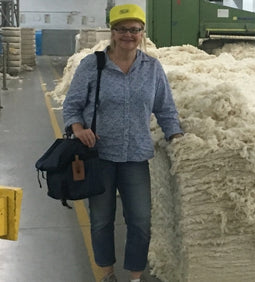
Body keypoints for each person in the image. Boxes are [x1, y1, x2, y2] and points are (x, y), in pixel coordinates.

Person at [62, 4, 183, 282]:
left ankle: (135, 277)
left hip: (136, 157)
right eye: (122, 29)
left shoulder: (151, 68)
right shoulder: (93, 65)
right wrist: (78, 129)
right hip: (99, 156)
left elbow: (165, 108)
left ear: (142, 33)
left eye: (135, 29)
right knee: (101, 220)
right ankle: (107, 273)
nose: (129, 35)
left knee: (140, 221)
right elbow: (72, 106)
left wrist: (176, 137)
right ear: (112, 32)